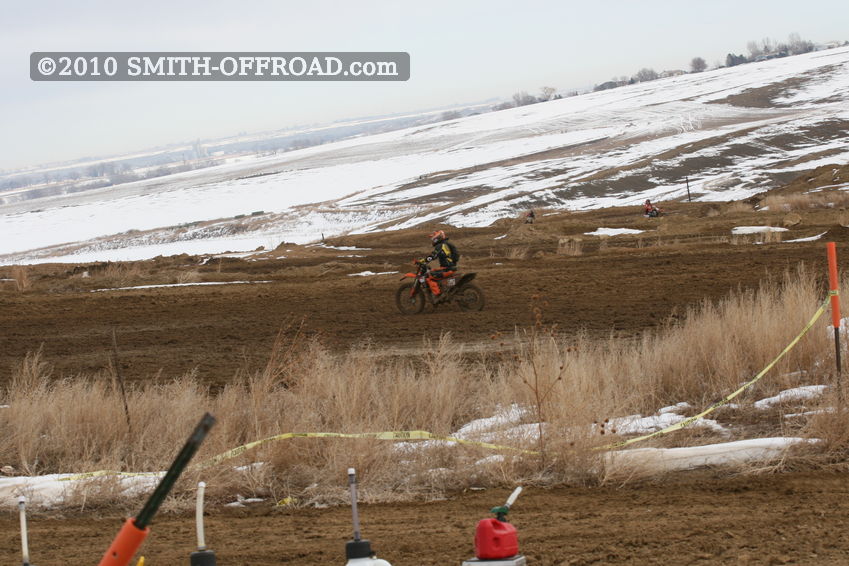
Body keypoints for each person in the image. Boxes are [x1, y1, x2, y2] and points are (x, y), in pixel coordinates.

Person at [421, 230, 459, 300]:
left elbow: (433, 255)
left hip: (446, 269)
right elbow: (456, 256)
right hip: (451, 267)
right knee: (433, 271)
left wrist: (424, 261)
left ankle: (438, 295)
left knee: (428, 276)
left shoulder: (440, 246)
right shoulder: (447, 244)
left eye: (433, 238)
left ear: (437, 238)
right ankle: (442, 289)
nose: (432, 240)